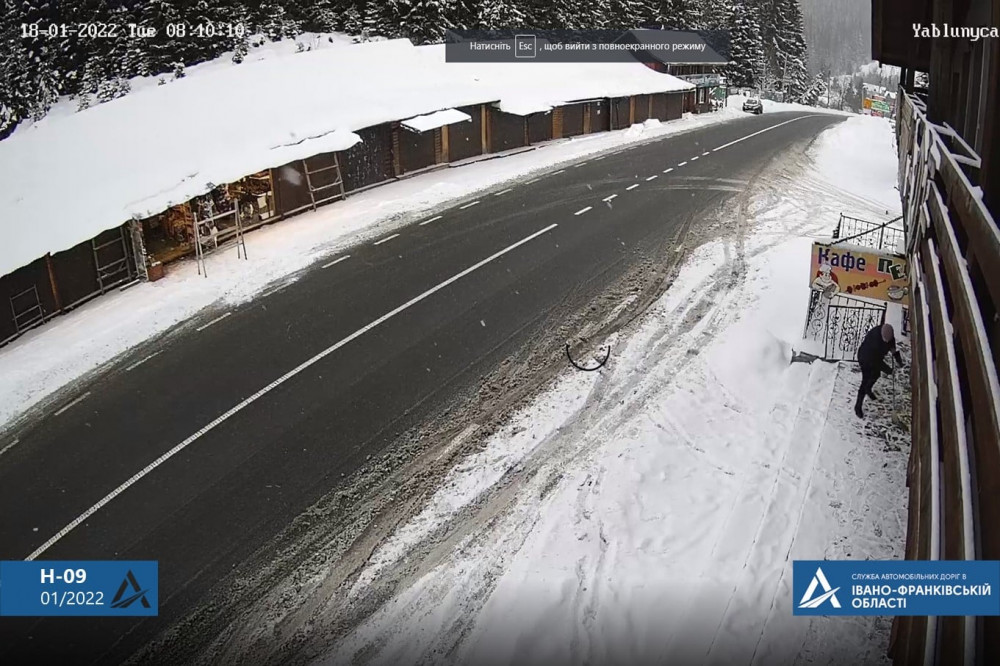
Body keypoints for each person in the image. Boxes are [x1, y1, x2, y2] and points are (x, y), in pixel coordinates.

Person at [855, 323, 904, 418]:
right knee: (865, 381)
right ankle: (858, 406)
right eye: (885, 341)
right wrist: (889, 370)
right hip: (865, 357)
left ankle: (868, 389)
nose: (887, 342)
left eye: (888, 341)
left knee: (876, 374)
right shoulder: (874, 340)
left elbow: (893, 349)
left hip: (876, 358)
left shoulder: (890, 337)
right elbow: (876, 361)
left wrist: (899, 361)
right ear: (881, 335)